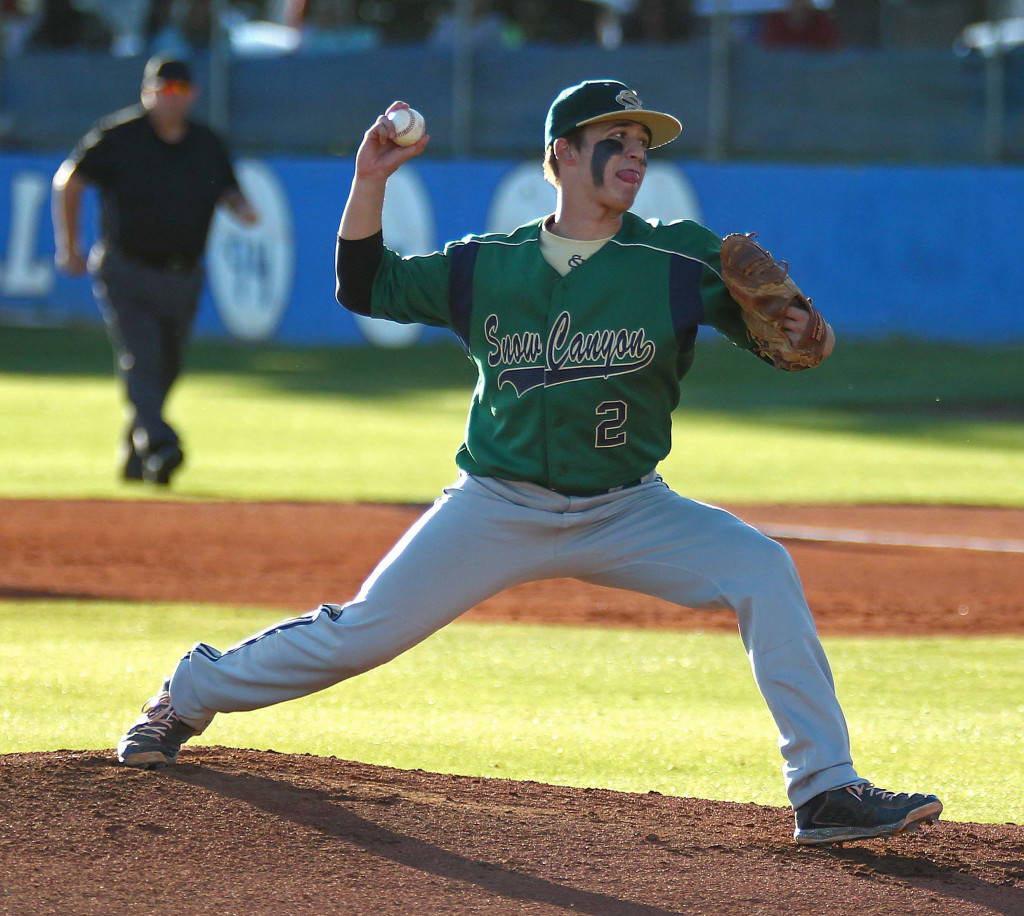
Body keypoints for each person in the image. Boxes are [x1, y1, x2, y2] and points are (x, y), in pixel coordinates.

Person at [115, 79, 942, 846]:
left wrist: (810, 334)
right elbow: (364, 288)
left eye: (642, 142)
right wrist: (372, 179)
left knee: (761, 568)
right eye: (613, 138)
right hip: (496, 505)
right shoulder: (486, 265)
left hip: (628, 507)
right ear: (562, 155)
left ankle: (825, 790)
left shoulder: (680, 259)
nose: (634, 153)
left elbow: (788, 336)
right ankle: (186, 694)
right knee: (357, 636)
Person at [51, 55, 257, 485]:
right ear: (147, 92)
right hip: (127, 269)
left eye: (178, 91)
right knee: (143, 360)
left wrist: (243, 208)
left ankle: (135, 452)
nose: (169, 99)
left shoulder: (205, 143)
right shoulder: (120, 136)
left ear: (192, 94)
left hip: (183, 274)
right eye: (161, 90)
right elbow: (69, 181)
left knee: (167, 368)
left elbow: (228, 188)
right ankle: (163, 446)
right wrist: (69, 246)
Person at [762, 0, 841, 51]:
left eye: (803, 1)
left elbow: (833, 54)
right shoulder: (776, 23)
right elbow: (767, 53)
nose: (799, 5)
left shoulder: (824, 25)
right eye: (795, 1)